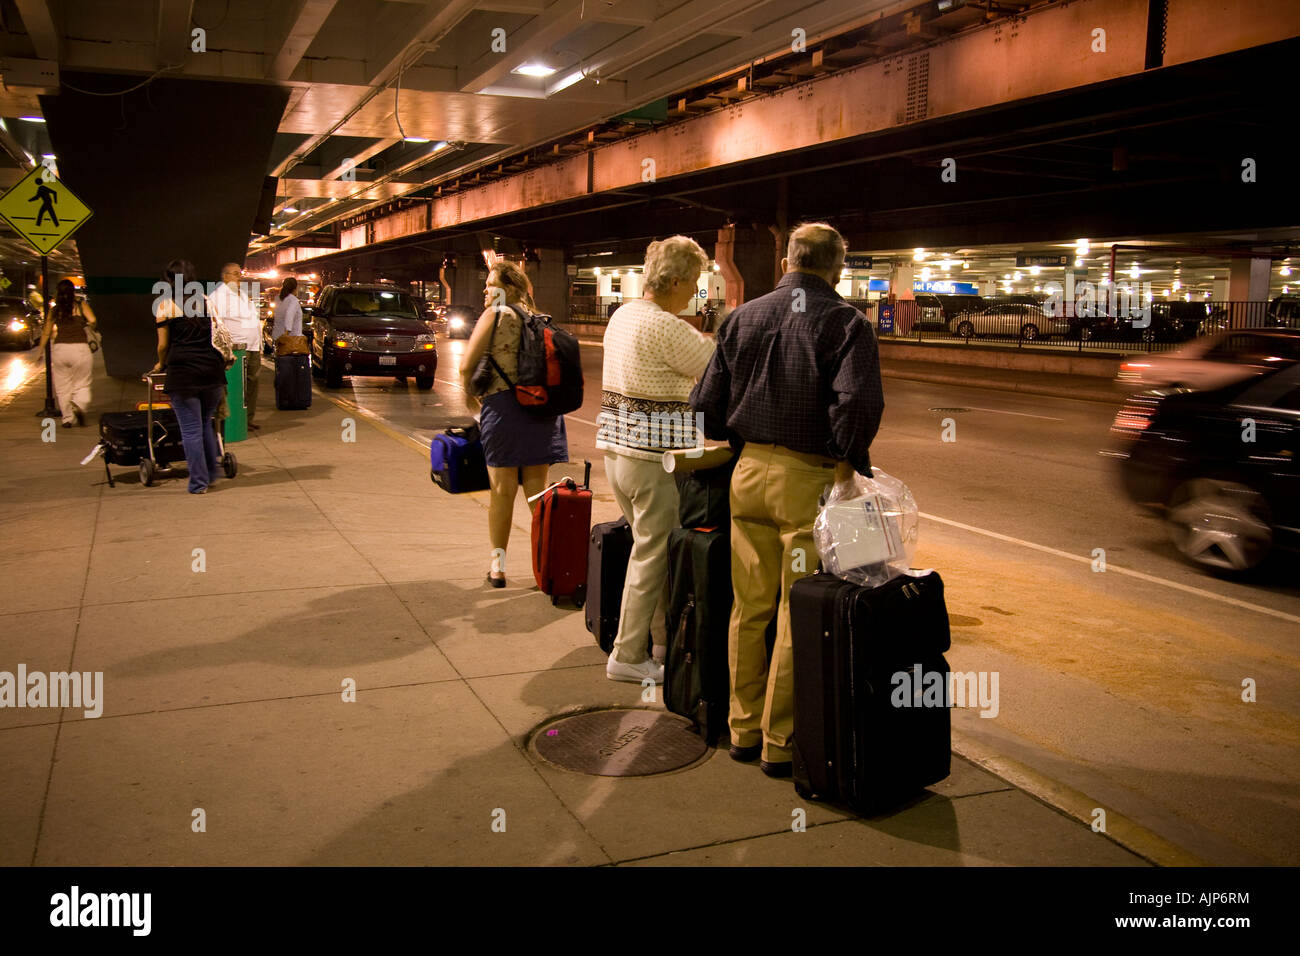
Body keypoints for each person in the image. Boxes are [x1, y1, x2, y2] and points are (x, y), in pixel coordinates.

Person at [691, 222, 884, 777]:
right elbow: (856, 404)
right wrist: (847, 465)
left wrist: (741, 441)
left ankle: (741, 730)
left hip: (747, 475)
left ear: (786, 262)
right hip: (808, 481)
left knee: (747, 608)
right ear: (837, 267)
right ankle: (780, 743)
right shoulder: (846, 322)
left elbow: (704, 403)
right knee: (796, 610)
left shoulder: (742, 316)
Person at [595, 236, 715, 684]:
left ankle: (663, 644)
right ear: (677, 279)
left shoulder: (622, 316)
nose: (696, 292)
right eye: (695, 283)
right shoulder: (668, 328)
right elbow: (718, 365)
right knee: (651, 556)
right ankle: (627, 655)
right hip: (653, 459)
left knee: (653, 553)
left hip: (616, 454)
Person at [459, 261, 569, 588]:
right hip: (542, 411)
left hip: (505, 409)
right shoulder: (539, 318)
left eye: (491, 284)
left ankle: (499, 568)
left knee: (502, 493)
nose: (485, 290)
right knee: (538, 497)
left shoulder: (496, 314)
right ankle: (546, 568)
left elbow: (466, 365)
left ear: (507, 289)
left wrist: (468, 397)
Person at [150, 260, 227, 494]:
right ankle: (211, 474)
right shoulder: (206, 301)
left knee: (191, 429)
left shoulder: (165, 306)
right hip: (212, 372)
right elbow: (217, 334)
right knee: (205, 424)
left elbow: (163, 345)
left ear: (169, 280)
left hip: (184, 373)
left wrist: (160, 364)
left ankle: (198, 483)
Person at [208, 263, 262, 430]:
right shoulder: (218, 297)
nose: (240, 277)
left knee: (253, 383)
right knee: (238, 385)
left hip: (252, 345)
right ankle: (235, 420)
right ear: (225, 276)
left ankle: (248, 418)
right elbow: (216, 323)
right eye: (235, 274)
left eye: (240, 274)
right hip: (236, 347)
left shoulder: (242, 294)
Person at [39, 279, 98, 427]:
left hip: (60, 350)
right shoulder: (79, 305)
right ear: (72, 291)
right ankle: (79, 404)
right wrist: (88, 325)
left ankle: (67, 419)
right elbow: (93, 320)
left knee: (62, 386)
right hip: (80, 349)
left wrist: (40, 350)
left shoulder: (54, 310)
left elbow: (46, 333)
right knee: (82, 383)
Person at [271, 276, 303, 345]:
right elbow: (289, 315)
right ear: (295, 288)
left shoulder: (278, 299)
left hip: (277, 337)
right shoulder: (293, 300)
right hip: (291, 339)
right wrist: (287, 332)